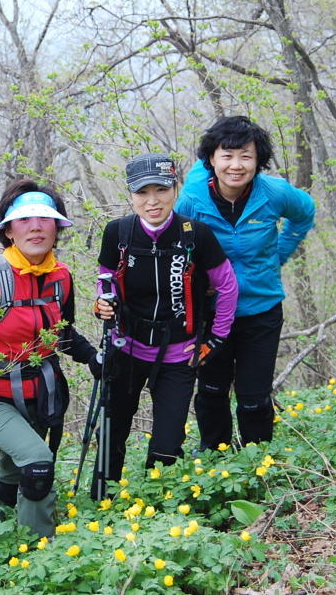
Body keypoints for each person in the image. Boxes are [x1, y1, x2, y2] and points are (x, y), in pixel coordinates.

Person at [0, 181, 99, 539]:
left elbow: (63, 333)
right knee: (37, 465)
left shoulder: (61, 278)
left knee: (11, 473)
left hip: (40, 394)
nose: (35, 226)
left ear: (58, 227)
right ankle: (40, 556)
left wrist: (93, 357)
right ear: (7, 229)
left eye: (45, 218)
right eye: (24, 219)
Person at [93, 153, 238, 487]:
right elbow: (105, 287)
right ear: (131, 195)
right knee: (111, 434)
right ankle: (102, 502)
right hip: (126, 350)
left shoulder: (195, 235)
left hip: (178, 355)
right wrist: (101, 308)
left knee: (167, 446)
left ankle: (158, 514)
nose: (152, 201)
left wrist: (213, 341)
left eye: (161, 189)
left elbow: (227, 287)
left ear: (176, 188)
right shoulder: (118, 233)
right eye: (142, 192)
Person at [176, 116, 316, 450]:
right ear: (211, 159)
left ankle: (257, 461)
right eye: (227, 156)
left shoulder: (274, 193)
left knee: (254, 399)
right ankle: (213, 455)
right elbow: (177, 249)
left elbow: (304, 214)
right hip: (211, 315)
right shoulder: (193, 200)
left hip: (261, 312)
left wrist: (276, 259)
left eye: (246, 156)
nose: (236, 165)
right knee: (211, 392)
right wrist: (197, 281)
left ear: (258, 161)